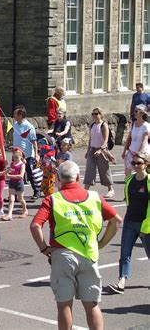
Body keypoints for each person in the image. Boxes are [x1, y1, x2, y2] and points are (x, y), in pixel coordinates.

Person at [30, 161, 122, 330]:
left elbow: (35, 226)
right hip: (89, 254)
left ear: (58, 178)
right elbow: (116, 220)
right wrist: (101, 243)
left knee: (64, 305)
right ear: (78, 177)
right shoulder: (95, 197)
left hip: (63, 255)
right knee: (92, 304)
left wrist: (44, 248)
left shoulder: (53, 199)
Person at [107, 151, 150, 295]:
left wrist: (147, 225)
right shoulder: (129, 180)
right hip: (130, 222)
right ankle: (121, 282)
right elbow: (128, 201)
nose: (136, 166)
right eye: (134, 163)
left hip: (146, 225)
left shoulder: (149, 181)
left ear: (146, 164)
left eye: (139, 163)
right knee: (125, 254)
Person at [83, 107, 116, 199]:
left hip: (102, 150)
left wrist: (100, 150)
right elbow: (91, 139)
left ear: (101, 114)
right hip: (92, 150)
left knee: (104, 170)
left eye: (96, 113)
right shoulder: (92, 125)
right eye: (93, 114)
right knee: (89, 169)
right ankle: (85, 190)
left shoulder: (104, 125)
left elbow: (105, 140)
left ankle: (110, 189)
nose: (94, 115)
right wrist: (88, 150)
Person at [12, 105, 40, 200]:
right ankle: (14, 194)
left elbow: (34, 141)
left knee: (30, 173)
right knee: (15, 174)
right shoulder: (15, 124)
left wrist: (36, 154)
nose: (13, 115)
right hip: (16, 154)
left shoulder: (29, 126)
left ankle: (36, 191)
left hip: (27, 154)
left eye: (15, 114)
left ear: (20, 115)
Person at [121, 104, 150, 177]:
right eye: (134, 111)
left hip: (143, 152)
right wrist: (124, 151)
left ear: (142, 113)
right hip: (131, 151)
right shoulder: (133, 124)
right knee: (127, 170)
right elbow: (129, 138)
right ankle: (128, 186)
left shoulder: (146, 125)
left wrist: (139, 153)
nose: (134, 112)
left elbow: (144, 140)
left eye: (136, 111)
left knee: (142, 172)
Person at [1, 148, 28, 221]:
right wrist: (6, 170)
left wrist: (10, 176)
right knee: (11, 199)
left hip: (19, 183)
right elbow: (9, 172)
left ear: (20, 157)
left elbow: (21, 176)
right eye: (14, 157)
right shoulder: (12, 164)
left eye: (17, 157)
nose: (15, 159)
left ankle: (25, 210)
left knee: (20, 198)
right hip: (12, 183)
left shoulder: (22, 165)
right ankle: (9, 215)